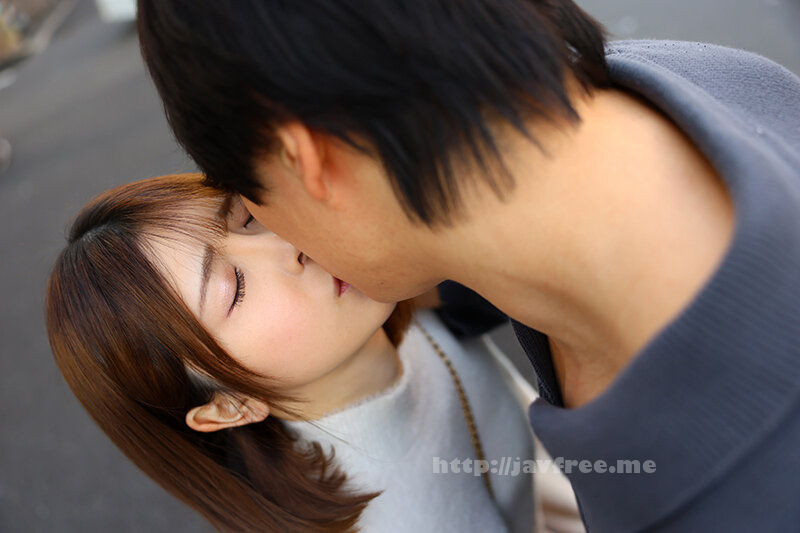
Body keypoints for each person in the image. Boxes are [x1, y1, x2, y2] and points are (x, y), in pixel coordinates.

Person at [136, 0, 800, 530]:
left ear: (308, 159)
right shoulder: (693, 84)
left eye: (251, 211)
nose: (289, 247)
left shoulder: (736, 494)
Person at [46, 173, 579, 532]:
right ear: (228, 406)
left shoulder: (412, 295)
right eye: (235, 288)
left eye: (248, 220)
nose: (288, 243)